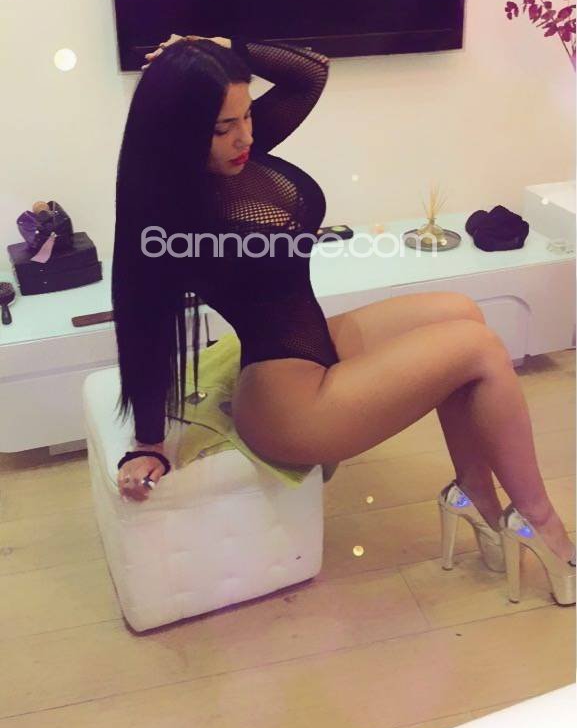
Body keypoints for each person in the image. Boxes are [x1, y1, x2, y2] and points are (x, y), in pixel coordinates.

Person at [112, 33, 575, 606]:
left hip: (313, 346)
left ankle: (474, 494)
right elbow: (142, 324)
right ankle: (541, 524)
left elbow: (310, 72)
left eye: (247, 115)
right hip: (285, 405)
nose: (245, 137)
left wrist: (220, 46)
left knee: (461, 311)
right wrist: (149, 442)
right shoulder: (172, 214)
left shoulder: (236, 156)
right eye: (223, 126)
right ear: (181, 133)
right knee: (478, 349)